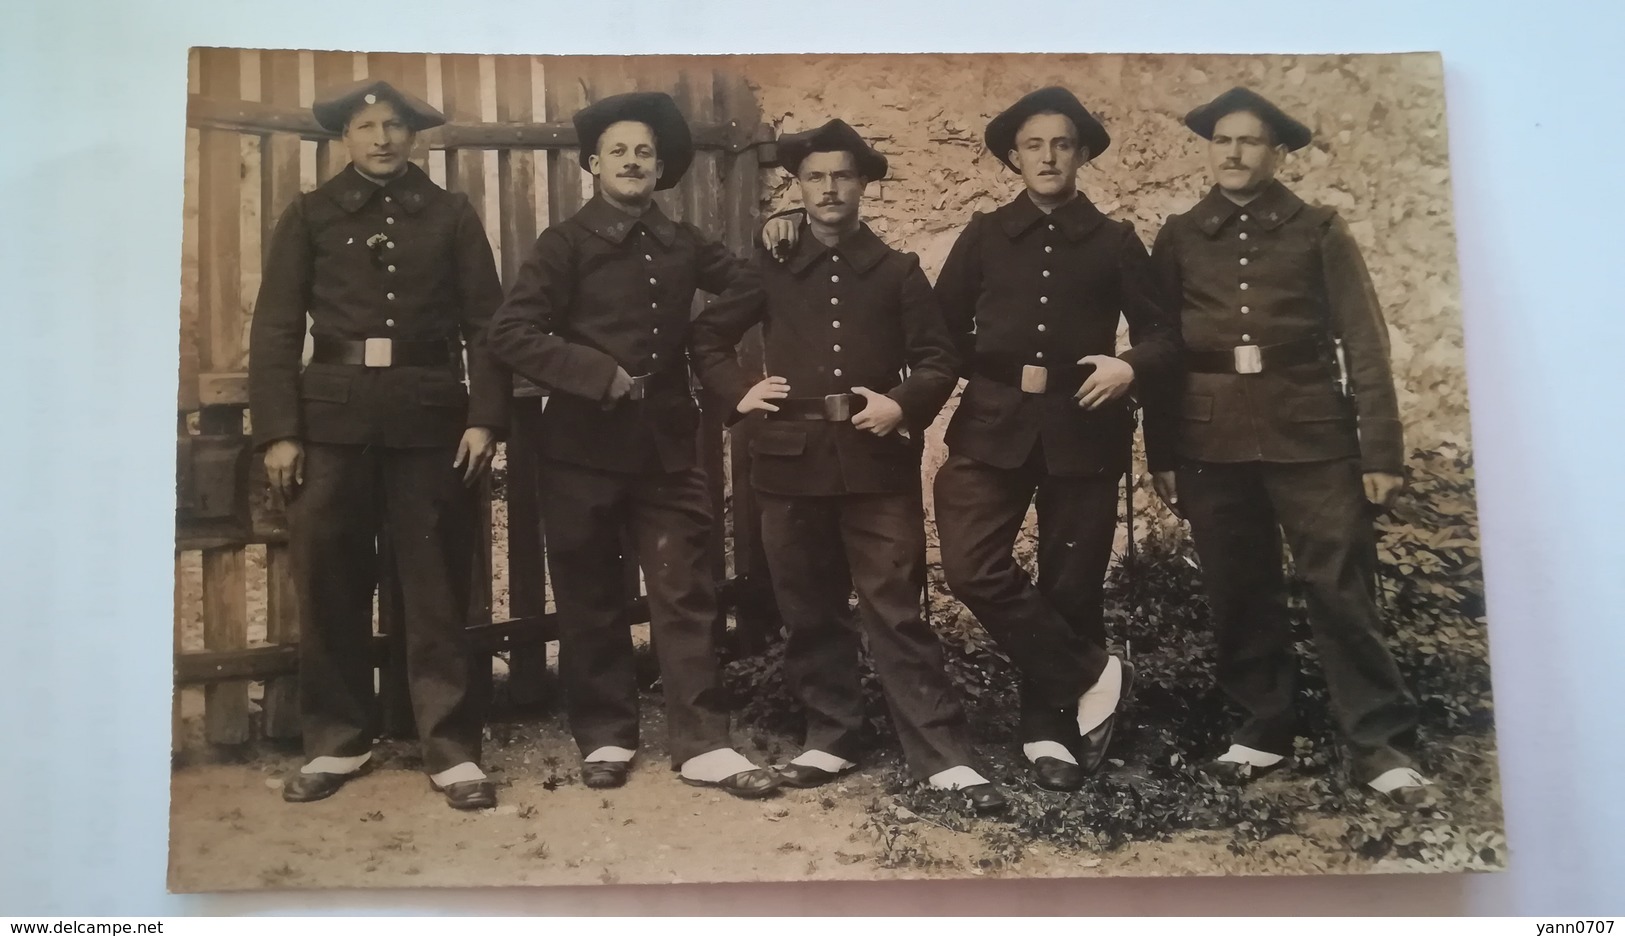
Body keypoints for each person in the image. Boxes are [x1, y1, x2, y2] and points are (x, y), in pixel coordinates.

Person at [766, 88, 1180, 792]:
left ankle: (1049, 734)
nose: (1047, 157)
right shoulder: (985, 234)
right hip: (991, 427)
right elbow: (940, 339)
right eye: (1033, 146)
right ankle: (1092, 673)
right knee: (969, 565)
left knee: (1070, 586)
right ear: (1013, 158)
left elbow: (1165, 336)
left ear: (1080, 154)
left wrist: (1129, 366)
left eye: (1060, 144)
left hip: (1083, 427)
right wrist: (905, 413)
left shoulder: (1114, 241)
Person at [692, 120, 1006, 812]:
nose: (829, 189)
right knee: (807, 607)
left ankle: (942, 755)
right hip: (787, 462)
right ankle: (831, 734)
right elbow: (708, 335)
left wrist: (900, 406)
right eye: (814, 177)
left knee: (893, 607)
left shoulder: (896, 272)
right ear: (797, 187)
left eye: (841, 176)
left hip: (873, 463)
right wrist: (737, 393)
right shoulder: (771, 267)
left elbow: (937, 358)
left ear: (862, 184)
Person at [488, 91, 779, 799]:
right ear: (593, 164)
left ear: (661, 168)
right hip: (579, 445)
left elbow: (750, 285)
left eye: (644, 152)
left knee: (686, 590)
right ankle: (606, 735)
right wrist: (596, 373)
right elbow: (511, 332)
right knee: (589, 594)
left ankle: (702, 743)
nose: (632, 162)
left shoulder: (682, 243)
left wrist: (708, 338)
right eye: (618, 151)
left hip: (668, 445)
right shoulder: (564, 245)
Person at [1144, 87, 1431, 804]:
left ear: (1275, 152)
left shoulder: (1318, 229)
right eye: (1221, 141)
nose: (1232, 154)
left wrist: (1380, 453)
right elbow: (1161, 350)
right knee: (1237, 586)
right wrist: (1163, 455)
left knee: (1338, 584)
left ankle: (1379, 741)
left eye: (1248, 142)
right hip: (1210, 438)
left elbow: (1363, 342)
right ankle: (1261, 728)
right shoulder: (1180, 235)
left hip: (1310, 433)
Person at [249, 79, 507, 810]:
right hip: (330, 421)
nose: (383, 139)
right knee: (328, 579)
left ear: (412, 135)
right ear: (345, 138)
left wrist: (483, 418)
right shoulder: (310, 215)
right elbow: (274, 329)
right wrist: (278, 430)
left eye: (394, 126)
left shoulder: (451, 215)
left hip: (429, 421)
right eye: (367, 127)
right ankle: (337, 743)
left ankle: (450, 749)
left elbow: (487, 327)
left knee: (433, 585)